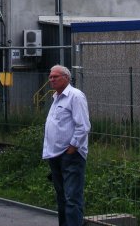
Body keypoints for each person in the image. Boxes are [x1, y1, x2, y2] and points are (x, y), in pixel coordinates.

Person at [42, 65, 91, 226]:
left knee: (72, 198)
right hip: (55, 155)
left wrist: (72, 148)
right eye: (50, 77)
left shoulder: (75, 96)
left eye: (55, 76)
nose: (51, 79)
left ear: (66, 78)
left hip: (70, 155)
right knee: (62, 197)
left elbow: (83, 126)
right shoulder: (56, 97)